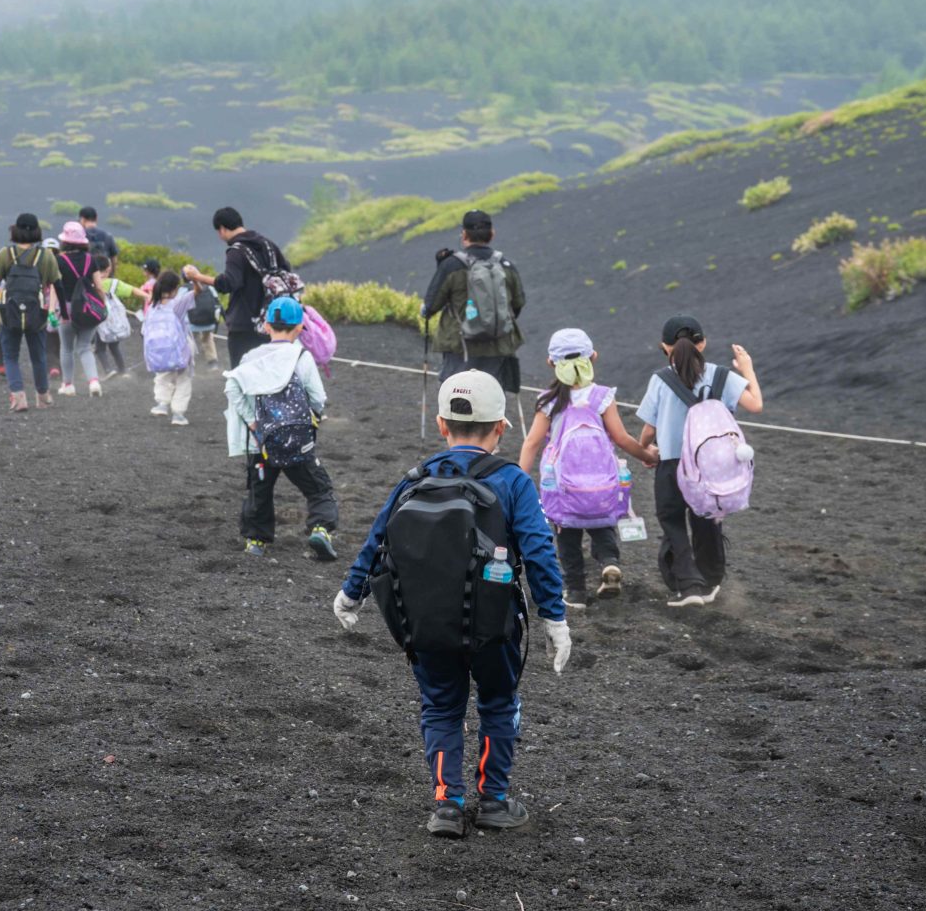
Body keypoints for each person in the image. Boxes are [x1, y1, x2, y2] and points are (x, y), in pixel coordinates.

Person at [331, 368, 571, 838]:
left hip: (425, 622)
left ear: (442, 424)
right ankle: (494, 801)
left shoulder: (416, 477)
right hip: (495, 623)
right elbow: (540, 552)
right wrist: (554, 618)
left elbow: (377, 539)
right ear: (501, 427)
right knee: (498, 703)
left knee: (441, 707)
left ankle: (447, 805)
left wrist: (351, 593)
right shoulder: (513, 481)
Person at [515, 327, 657, 608]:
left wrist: (518, 480)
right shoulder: (602, 396)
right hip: (602, 482)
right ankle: (609, 562)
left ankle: (576, 591)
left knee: (567, 536)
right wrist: (647, 454)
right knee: (602, 525)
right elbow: (621, 438)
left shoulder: (548, 400)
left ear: (551, 363)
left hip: (562, 486)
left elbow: (531, 443)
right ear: (593, 357)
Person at [633, 315, 764, 607]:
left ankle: (688, 584)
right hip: (710, 465)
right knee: (706, 519)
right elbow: (756, 404)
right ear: (702, 344)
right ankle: (710, 580)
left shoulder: (660, 379)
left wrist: (644, 449)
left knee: (672, 521)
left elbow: (649, 428)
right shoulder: (721, 376)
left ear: (665, 347)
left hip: (672, 463)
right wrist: (747, 369)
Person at [224, 296, 338, 559]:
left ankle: (256, 541)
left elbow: (232, 387)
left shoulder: (251, 357)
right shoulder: (301, 356)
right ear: (299, 328)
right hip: (296, 439)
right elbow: (318, 397)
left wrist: (253, 421)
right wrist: (313, 417)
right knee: (318, 488)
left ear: (266, 326)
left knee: (259, 491)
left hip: (261, 441)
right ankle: (320, 529)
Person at [422, 211, 527, 420]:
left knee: (457, 399)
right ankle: (490, 438)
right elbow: (518, 304)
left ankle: (459, 437)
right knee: (491, 400)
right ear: (492, 233)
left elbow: (431, 306)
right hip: (498, 346)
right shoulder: (505, 265)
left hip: (461, 347)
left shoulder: (451, 265)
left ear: (464, 235)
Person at [186, 206, 295, 372]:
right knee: (271, 375)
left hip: (245, 325)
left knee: (242, 375)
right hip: (274, 321)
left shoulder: (236, 251)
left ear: (222, 228)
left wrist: (197, 277)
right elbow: (286, 270)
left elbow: (228, 283)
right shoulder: (268, 245)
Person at [0, 214, 63, 412]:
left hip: (10, 312)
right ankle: (43, 397)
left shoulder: (6, 253)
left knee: (10, 356)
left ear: (15, 230)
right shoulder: (45, 255)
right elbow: (57, 284)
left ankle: (18, 399)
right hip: (36, 312)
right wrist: (64, 312)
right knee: (38, 356)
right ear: (37, 231)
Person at [51, 222, 109, 397]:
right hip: (88, 309)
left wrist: (52, 310)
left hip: (66, 309)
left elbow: (54, 287)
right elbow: (99, 287)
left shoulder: (59, 260)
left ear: (64, 241)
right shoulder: (91, 259)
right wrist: (103, 306)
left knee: (66, 349)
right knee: (85, 347)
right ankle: (94, 382)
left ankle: (68, 385)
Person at [139, 269, 196, 425]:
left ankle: (162, 404)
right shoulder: (178, 304)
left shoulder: (153, 307)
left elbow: (144, 331)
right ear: (175, 289)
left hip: (160, 352)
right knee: (183, 379)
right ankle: (178, 414)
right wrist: (196, 279)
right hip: (181, 348)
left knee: (162, 376)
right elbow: (198, 292)